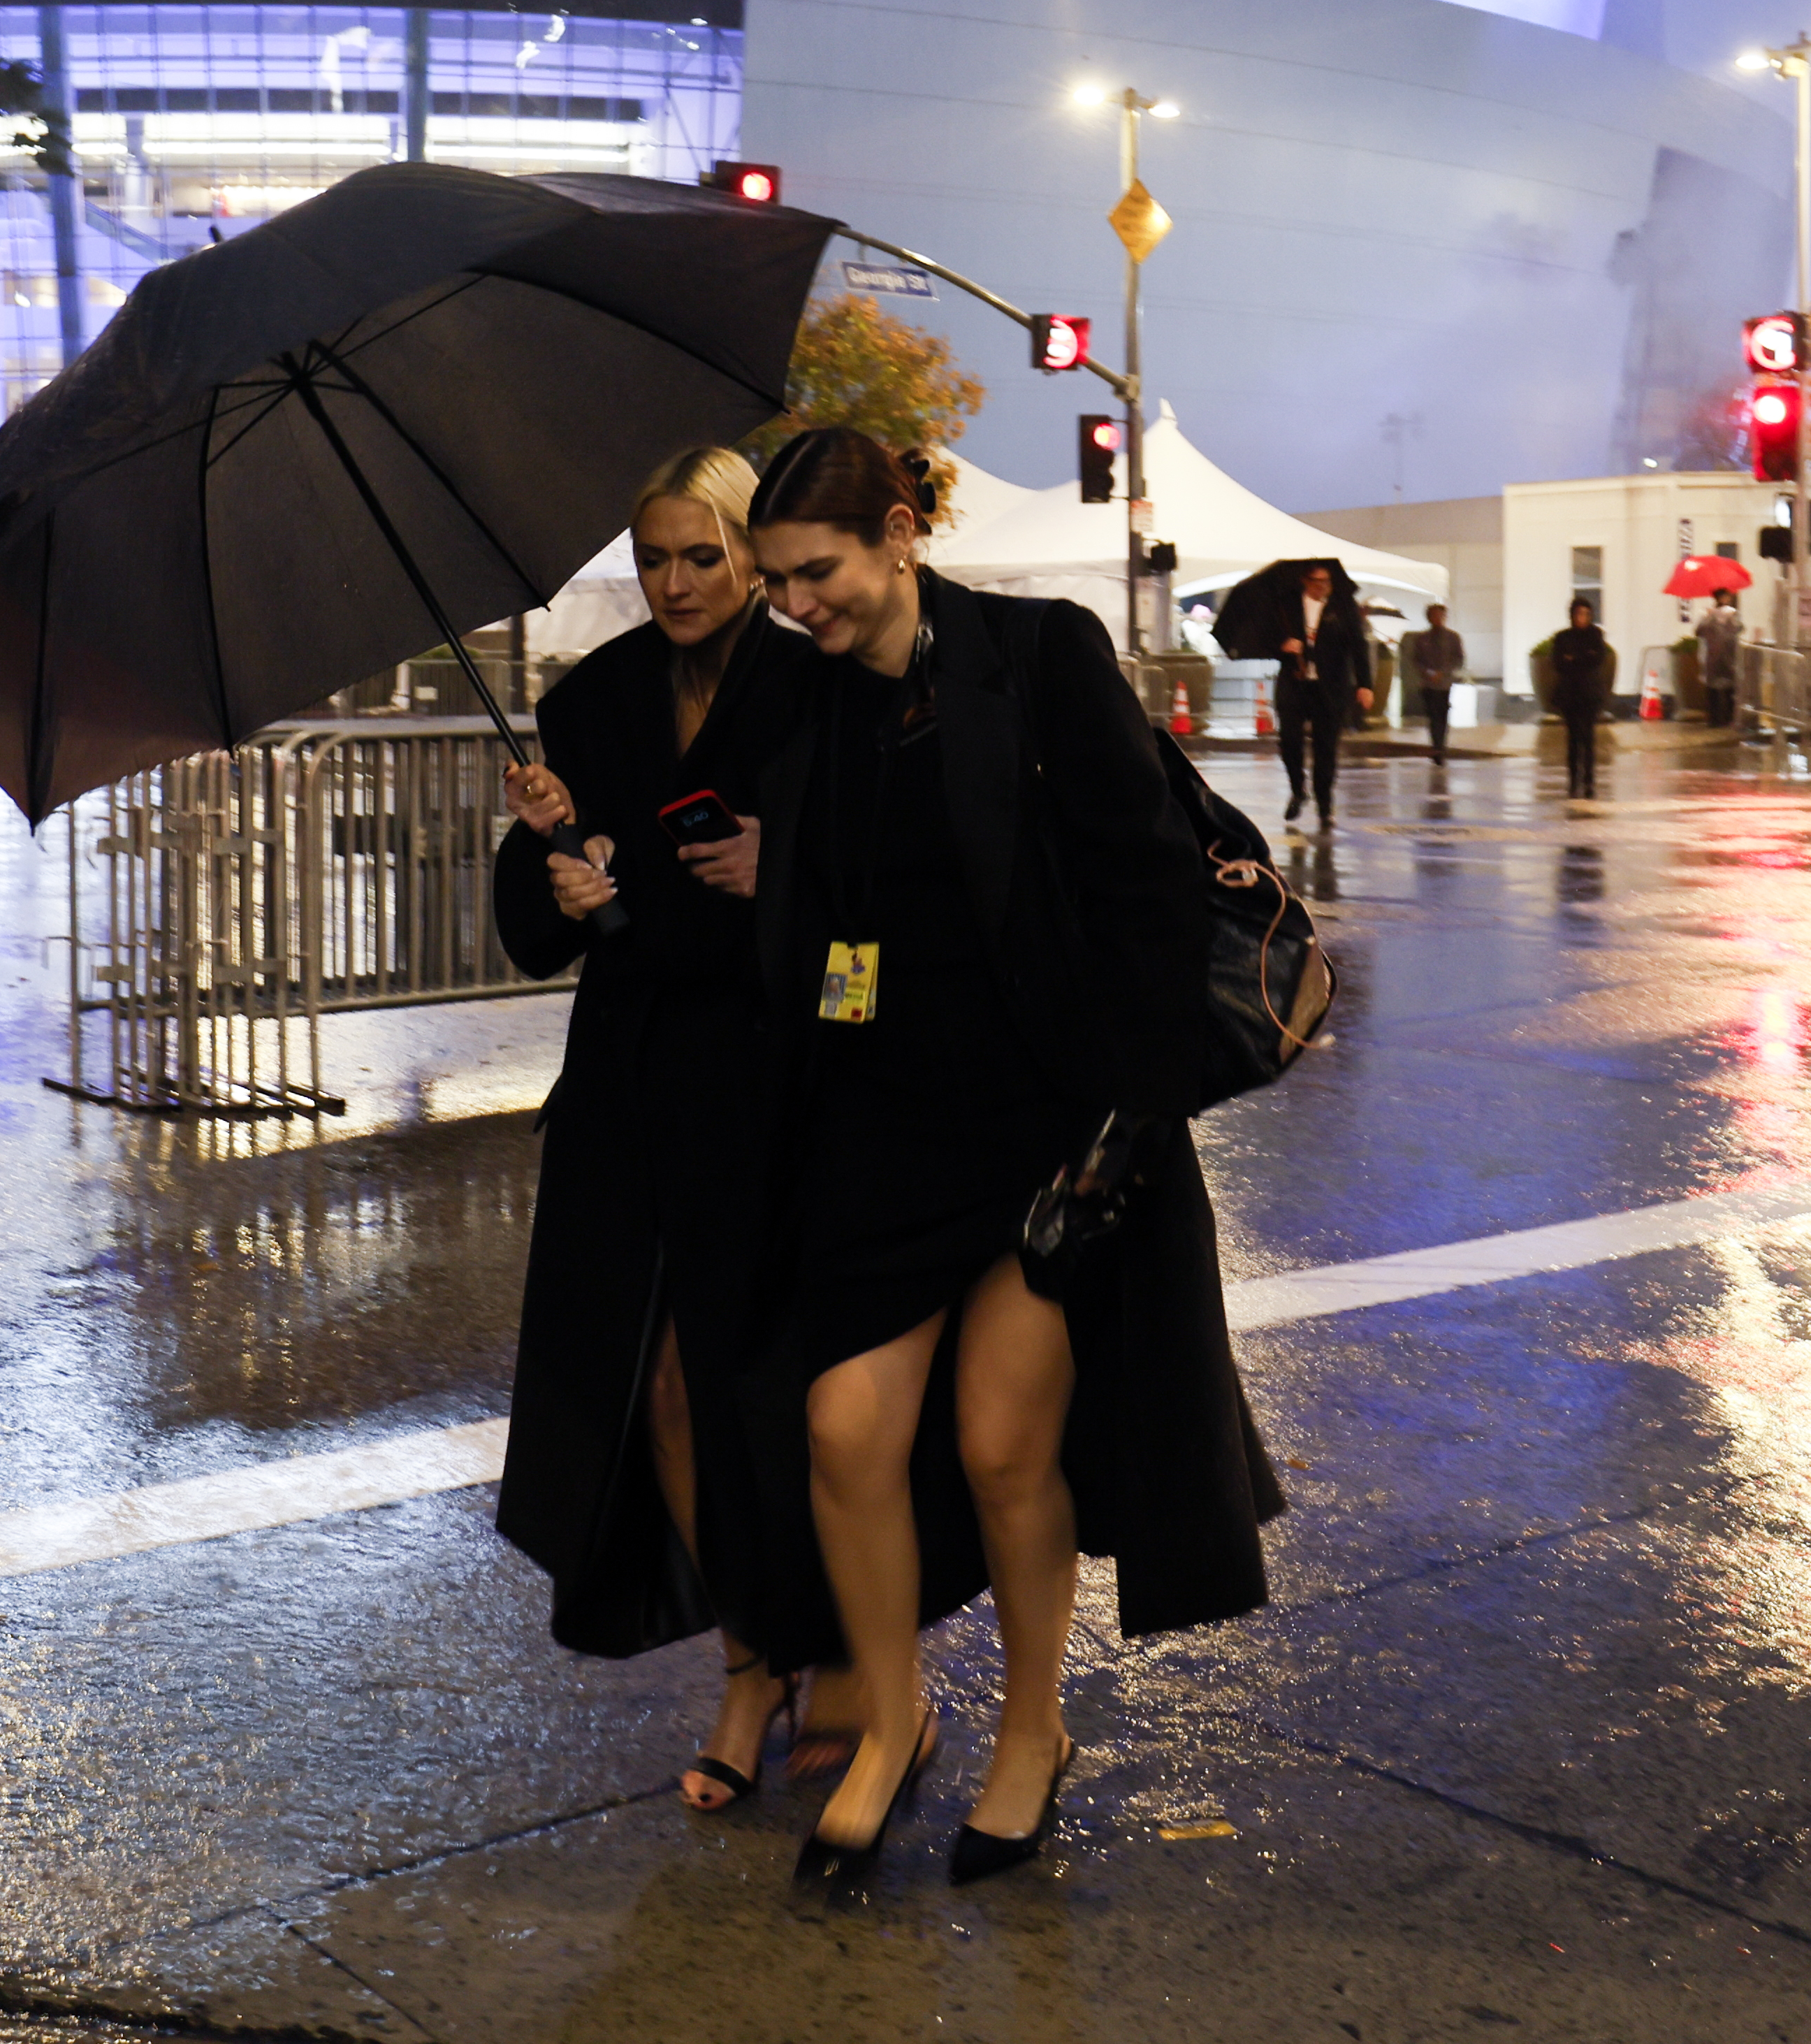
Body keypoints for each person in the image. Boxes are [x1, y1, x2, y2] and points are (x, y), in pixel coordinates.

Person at [742, 428, 1281, 1892]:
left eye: (819, 570)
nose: (796, 600)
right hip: (881, 1124)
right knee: (844, 1428)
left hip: (1049, 1125)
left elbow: (1149, 887)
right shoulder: (795, 693)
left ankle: (1030, 1727)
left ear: (902, 534)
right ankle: (892, 1712)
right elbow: (771, 873)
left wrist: (1127, 1118)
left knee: (998, 1441)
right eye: (775, 577)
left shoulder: (1037, 654)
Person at [489, 449, 831, 1813]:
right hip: (628, 1089)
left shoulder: (813, 684)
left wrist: (781, 867)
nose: (675, 580)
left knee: (788, 1387)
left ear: (749, 551)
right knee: (657, 1387)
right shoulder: (594, 697)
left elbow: (879, 874)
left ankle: (846, 1644)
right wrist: (552, 863)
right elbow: (526, 926)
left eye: (700, 553)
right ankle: (753, 1661)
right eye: (652, 556)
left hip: (772, 1083)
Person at [1271, 560, 1372, 829]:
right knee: (1290, 740)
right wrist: (1282, 645)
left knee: (1326, 747)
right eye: (1317, 582)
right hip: (1294, 684)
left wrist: (1365, 685)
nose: (1323, 587)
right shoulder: (1286, 606)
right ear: (1305, 581)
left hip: (1331, 687)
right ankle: (1298, 789)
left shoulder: (1343, 607)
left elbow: (1358, 647)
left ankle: (1325, 804)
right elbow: (1266, 638)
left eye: (1327, 582)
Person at [1550, 597, 1615, 799]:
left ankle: (1589, 779)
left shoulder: (1595, 635)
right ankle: (1573, 779)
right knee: (1572, 739)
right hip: (1570, 694)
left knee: (1588, 738)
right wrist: (1581, 658)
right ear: (1572, 615)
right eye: (1579, 614)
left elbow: (1597, 660)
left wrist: (1574, 658)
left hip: (1589, 694)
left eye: (1586, 614)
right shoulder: (1562, 637)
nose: (1582, 618)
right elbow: (1558, 663)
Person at [1404, 603, 1467, 763]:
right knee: (1432, 714)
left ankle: (1441, 746)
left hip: (1444, 683)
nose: (1437, 619)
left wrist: (1444, 673)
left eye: (1440, 616)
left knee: (1442, 713)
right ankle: (1436, 744)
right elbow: (1416, 660)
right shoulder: (1422, 639)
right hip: (1428, 683)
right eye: (1434, 616)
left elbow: (1458, 659)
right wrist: (1427, 673)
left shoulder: (1453, 638)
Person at [1696, 590, 1744, 730]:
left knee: (1730, 690)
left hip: (1729, 658)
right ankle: (1714, 719)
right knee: (1712, 691)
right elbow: (1699, 632)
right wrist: (1708, 617)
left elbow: (1739, 629)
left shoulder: (1733, 614)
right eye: (1724, 597)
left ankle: (1728, 718)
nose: (1726, 599)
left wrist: (1732, 619)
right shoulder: (1709, 616)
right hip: (1713, 658)